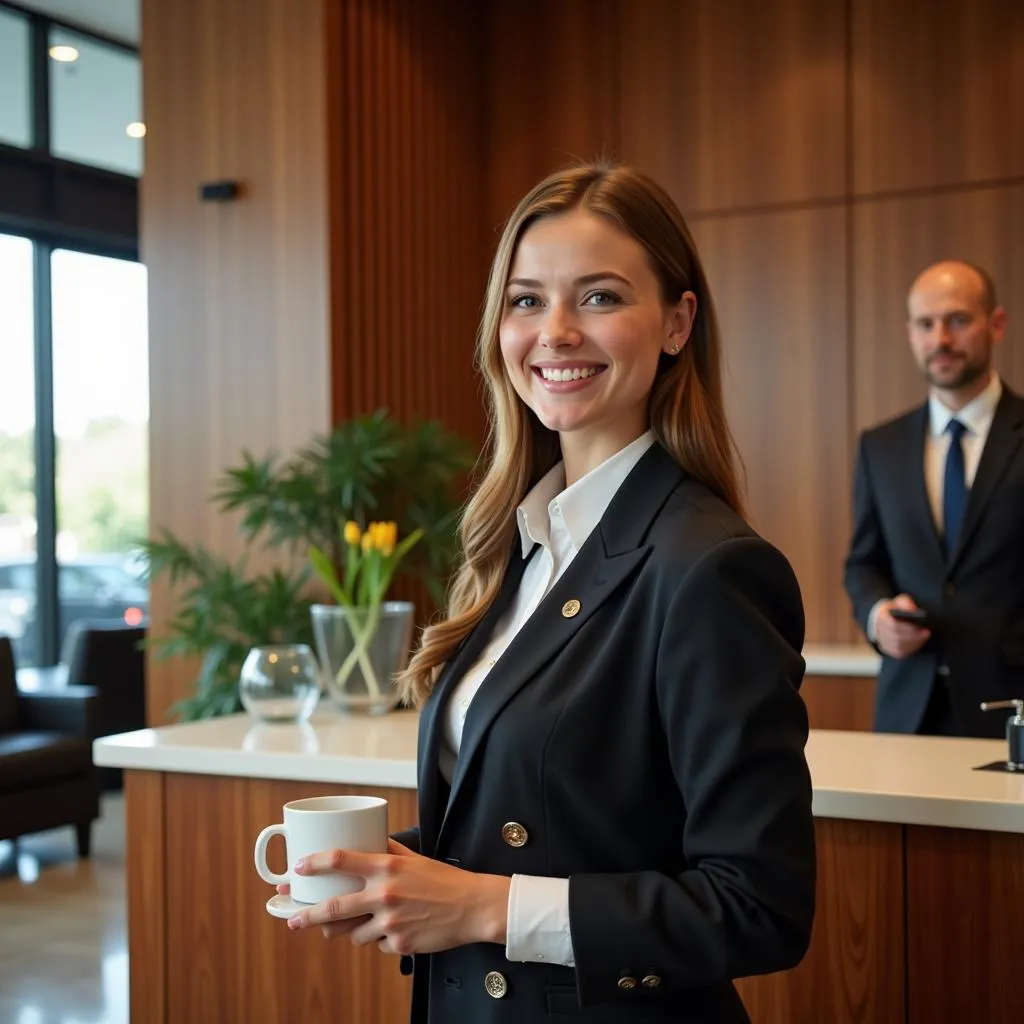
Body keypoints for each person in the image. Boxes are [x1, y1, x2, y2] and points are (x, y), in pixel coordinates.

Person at [280, 163, 816, 1022]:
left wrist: (482, 905)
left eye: (599, 297)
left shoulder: (709, 567)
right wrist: (397, 870)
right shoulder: (525, 544)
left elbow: (760, 906)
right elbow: (560, 818)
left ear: (678, 322)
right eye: (527, 300)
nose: (556, 332)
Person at [844, 260, 1024, 738]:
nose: (940, 338)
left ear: (997, 324)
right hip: (907, 711)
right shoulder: (879, 447)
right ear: (910, 333)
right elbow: (863, 564)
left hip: (1012, 711)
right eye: (926, 324)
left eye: (958, 320)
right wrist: (878, 616)